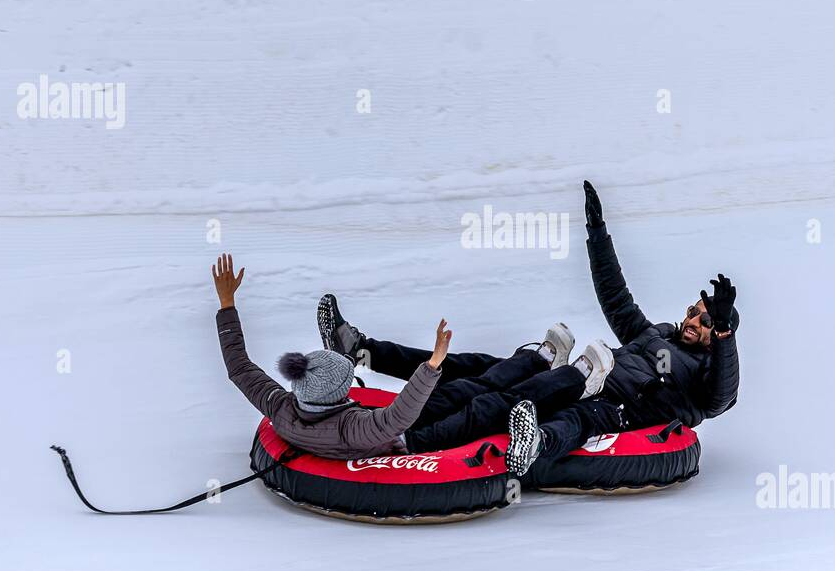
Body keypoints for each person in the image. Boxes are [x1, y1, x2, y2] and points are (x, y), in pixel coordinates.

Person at [317, 180, 740, 474]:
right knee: (476, 368)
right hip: (578, 375)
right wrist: (597, 232)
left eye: (704, 319)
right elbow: (615, 296)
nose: (691, 320)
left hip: (610, 406)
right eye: (692, 311)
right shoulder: (656, 336)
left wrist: (723, 336)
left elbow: (722, 395)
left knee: (539, 410)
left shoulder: (703, 377)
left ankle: (520, 443)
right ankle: (361, 351)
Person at [212, 253, 557, 473]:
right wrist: (431, 366)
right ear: (335, 394)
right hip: (416, 440)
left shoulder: (282, 409)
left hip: (400, 427)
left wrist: (227, 304)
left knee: (465, 386)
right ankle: (555, 377)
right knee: (483, 404)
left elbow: (239, 368)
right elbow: (397, 418)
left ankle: (538, 362)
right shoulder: (350, 428)